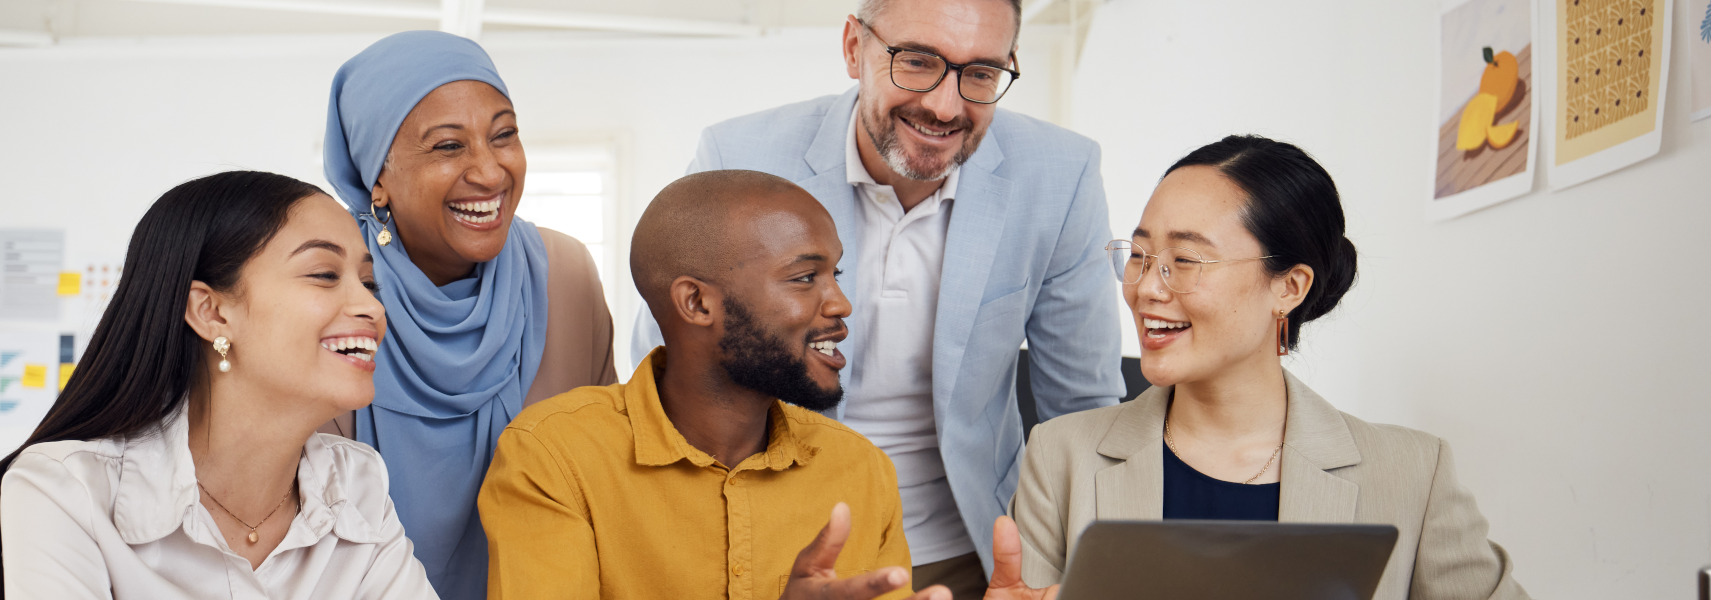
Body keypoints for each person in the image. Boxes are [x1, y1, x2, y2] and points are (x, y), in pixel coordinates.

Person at [629, 0, 1122, 594]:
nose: (945, 106)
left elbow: (1085, 409)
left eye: (982, 74)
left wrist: (1098, 579)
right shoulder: (741, 157)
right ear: (853, 49)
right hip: (772, 541)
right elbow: (669, 379)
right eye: (916, 61)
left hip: (972, 548)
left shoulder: (1059, 175)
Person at [482, 170, 1058, 600]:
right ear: (697, 303)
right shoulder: (552, 458)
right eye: (805, 278)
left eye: (836, 273)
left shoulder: (860, 471)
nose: (840, 303)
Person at [1009, 135, 1532, 599]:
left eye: (1186, 260)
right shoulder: (1060, 457)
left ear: (1289, 287)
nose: (1146, 286)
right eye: (1140, 254)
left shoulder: (1414, 475)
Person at [0, 171, 437, 600]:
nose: (371, 308)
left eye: (368, 283)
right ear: (212, 312)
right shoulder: (67, 489)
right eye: (325, 274)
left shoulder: (356, 483)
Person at [321, 31, 618, 599]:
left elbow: (602, 472)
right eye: (447, 147)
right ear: (376, 178)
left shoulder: (566, 273)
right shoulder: (331, 294)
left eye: (504, 135)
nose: (489, 172)